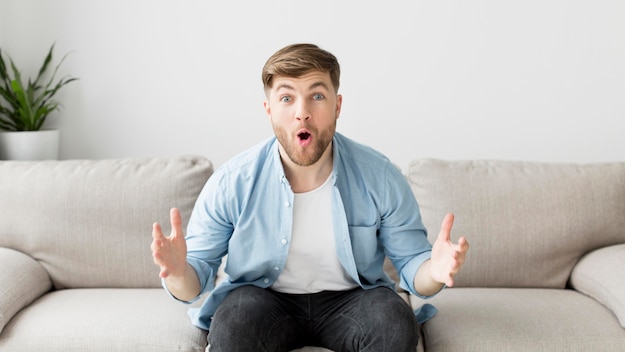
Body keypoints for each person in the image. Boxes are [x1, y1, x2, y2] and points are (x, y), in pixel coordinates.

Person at [151, 43, 469, 352]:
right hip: (263, 298)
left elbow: (414, 268)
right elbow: (195, 280)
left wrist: (434, 271)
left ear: (337, 106)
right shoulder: (232, 182)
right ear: (270, 110)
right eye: (287, 98)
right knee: (233, 326)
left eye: (317, 96)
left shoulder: (381, 177)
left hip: (354, 297)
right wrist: (180, 273)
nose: (302, 113)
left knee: (395, 324)